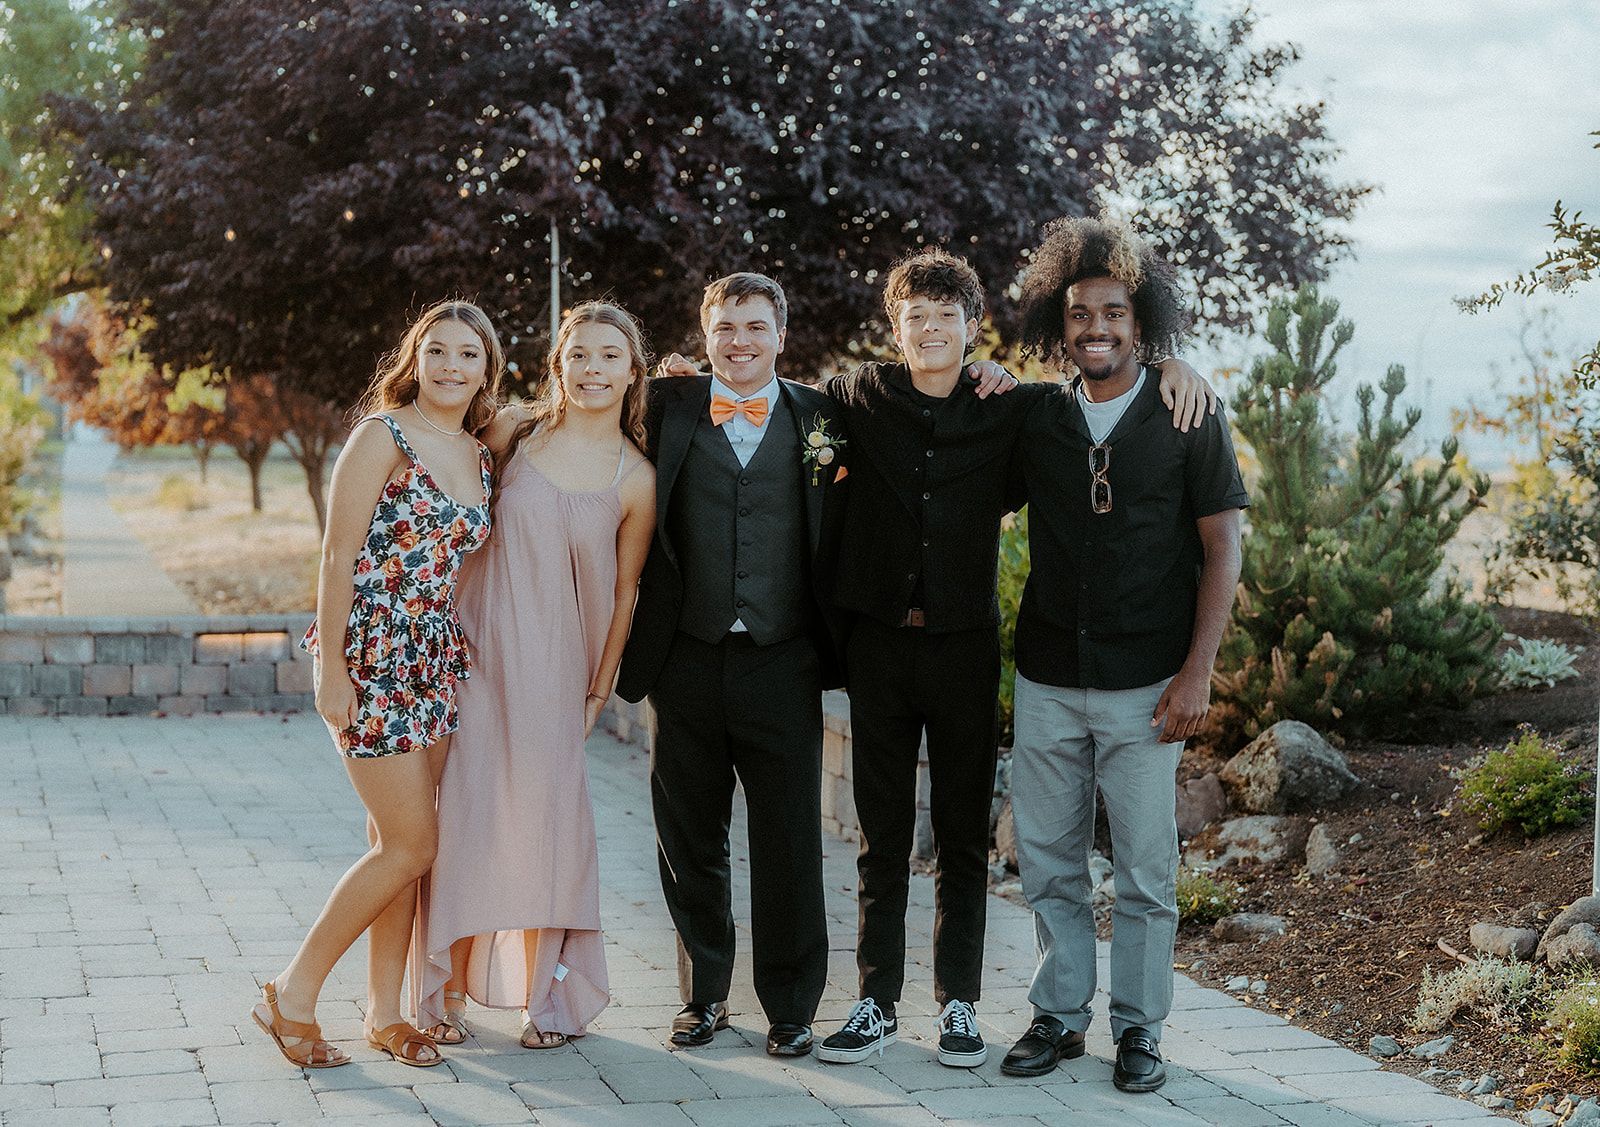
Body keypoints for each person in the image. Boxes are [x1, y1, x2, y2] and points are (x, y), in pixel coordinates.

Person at [810, 249, 1212, 1070]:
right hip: (884, 647)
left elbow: (1113, 388)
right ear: (895, 327)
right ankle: (881, 1001)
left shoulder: (1013, 408)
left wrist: (1176, 365)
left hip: (969, 649)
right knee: (889, 836)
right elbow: (782, 407)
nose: (930, 329)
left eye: (946, 316)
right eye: (916, 317)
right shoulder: (862, 396)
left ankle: (968, 1004)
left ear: (973, 326)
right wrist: (687, 382)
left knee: (970, 837)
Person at [999, 217, 1246, 1092]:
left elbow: (1224, 548)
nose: (1095, 327)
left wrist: (1197, 672)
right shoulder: (1037, 417)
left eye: (1113, 313)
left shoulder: (1187, 412)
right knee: (1049, 860)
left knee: (1145, 870)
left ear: (1142, 324)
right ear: (1057, 322)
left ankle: (1140, 1028)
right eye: (1079, 314)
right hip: (1047, 677)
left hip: (1148, 682)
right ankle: (1059, 1015)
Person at [252, 299, 503, 1069]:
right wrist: (331, 667)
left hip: (434, 656)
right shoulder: (382, 435)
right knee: (411, 841)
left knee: (395, 843)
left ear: (487, 368)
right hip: (371, 653)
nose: (451, 365)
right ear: (414, 358)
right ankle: (291, 993)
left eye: (468, 353)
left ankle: (385, 1012)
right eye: (437, 350)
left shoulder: (481, 450)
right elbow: (336, 554)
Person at [615, 272, 849, 1057]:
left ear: (782, 334)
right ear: (704, 333)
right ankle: (703, 995)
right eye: (725, 327)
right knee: (688, 839)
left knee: (790, 841)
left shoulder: (825, 416)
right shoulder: (665, 405)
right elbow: (575, 404)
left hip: (783, 660)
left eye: (755, 326)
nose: (739, 341)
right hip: (685, 657)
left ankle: (791, 1005)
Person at [412, 301, 655, 1050]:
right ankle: (444, 989)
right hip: (473, 657)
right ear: (558, 364)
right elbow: (443, 494)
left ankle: (545, 997)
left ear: (633, 371)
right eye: (578, 354)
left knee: (547, 830)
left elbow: (625, 593)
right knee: (465, 820)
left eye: (609, 356)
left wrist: (599, 687)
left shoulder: (637, 478)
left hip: (558, 673)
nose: (592, 369)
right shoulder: (514, 431)